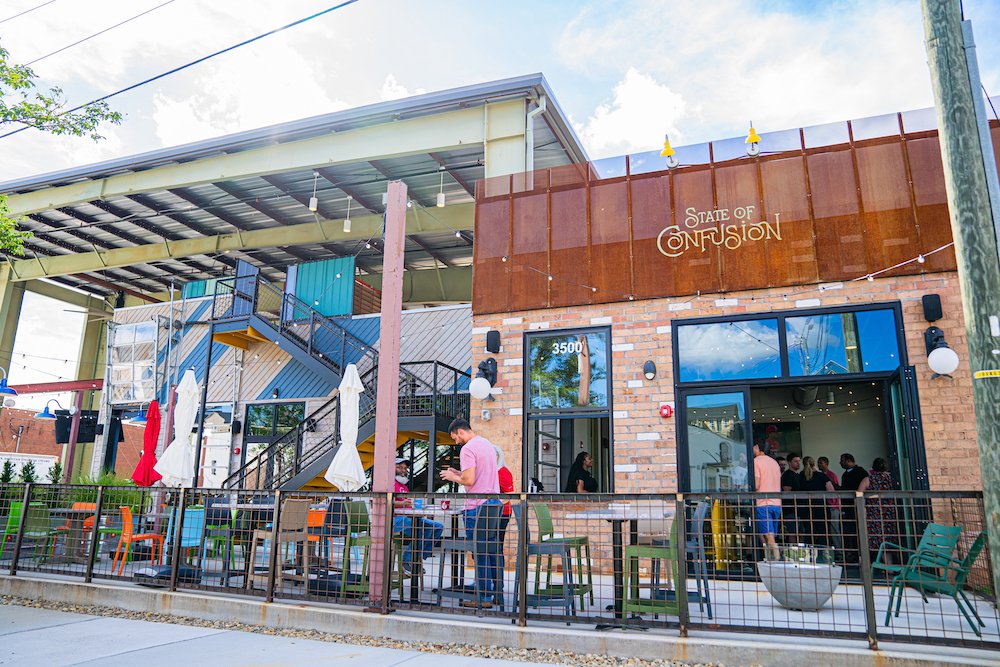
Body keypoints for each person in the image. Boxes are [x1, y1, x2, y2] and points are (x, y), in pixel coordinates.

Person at [441, 418, 501, 608]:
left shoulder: (467, 449)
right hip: (493, 503)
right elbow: (477, 476)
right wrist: (458, 473)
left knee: (479, 552)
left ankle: (483, 598)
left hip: (476, 506)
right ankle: (497, 594)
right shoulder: (487, 444)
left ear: (460, 431)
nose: (456, 442)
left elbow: (469, 481)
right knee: (492, 550)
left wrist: (452, 477)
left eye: (455, 438)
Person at [392, 458, 444, 574]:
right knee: (423, 529)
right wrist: (403, 503)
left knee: (438, 527)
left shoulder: (404, 486)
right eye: (399, 467)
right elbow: (383, 501)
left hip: (407, 517)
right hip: (393, 520)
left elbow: (406, 503)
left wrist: (412, 504)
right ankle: (407, 561)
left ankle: (417, 558)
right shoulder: (389, 483)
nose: (403, 470)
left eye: (405, 468)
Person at [753, 442, 782, 561]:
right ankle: (769, 560)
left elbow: (756, 485)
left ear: (756, 447)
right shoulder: (774, 462)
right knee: (769, 535)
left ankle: (775, 562)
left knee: (769, 538)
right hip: (777, 504)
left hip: (763, 504)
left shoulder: (756, 462)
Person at [839, 452, 870, 563]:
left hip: (858, 506)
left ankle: (862, 555)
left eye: (842, 460)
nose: (840, 463)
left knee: (859, 530)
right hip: (847, 507)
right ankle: (853, 554)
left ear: (848, 461)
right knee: (849, 532)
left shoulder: (860, 472)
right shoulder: (845, 475)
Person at [865, 457, 897, 563]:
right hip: (889, 512)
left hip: (874, 513)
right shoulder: (892, 479)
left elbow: (859, 493)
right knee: (888, 539)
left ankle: (885, 565)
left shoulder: (869, 479)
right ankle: (889, 565)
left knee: (877, 539)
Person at [799, 456, 834, 546]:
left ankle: (810, 553)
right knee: (824, 533)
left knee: (809, 532)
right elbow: (831, 491)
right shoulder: (821, 476)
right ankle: (824, 553)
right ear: (814, 464)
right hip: (821, 508)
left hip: (805, 509)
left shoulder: (800, 476)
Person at [817, 456, 843, 553]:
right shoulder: (819, 475)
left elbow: (835, 489)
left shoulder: (831, 475)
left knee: (834, 529)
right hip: (825, 506)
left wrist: (834, 504)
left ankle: (839, 552)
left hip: (833, 506)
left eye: (821, 463)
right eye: (818, 463)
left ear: (826, 463)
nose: (819, 465)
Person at [781, 454, 803, 541]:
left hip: (799, 509)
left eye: (799, 461)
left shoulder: (797, 475)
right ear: (789, 463)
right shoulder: (787, 475)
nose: (798, 463)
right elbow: (787, 492)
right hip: (791, 509)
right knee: (793, 532)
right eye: (795, 461)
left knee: (800, 532)